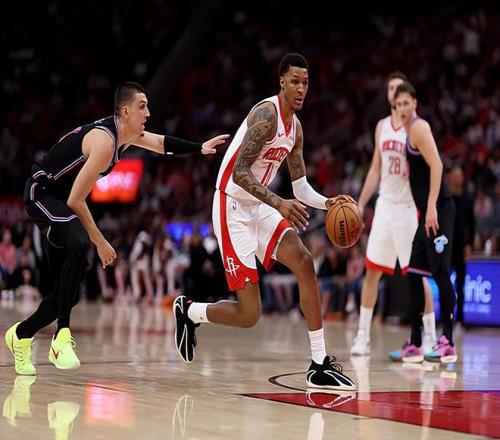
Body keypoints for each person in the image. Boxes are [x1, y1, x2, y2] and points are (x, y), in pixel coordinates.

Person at [4, 82, 228, 375]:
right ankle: (61, 338)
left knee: (67, 295)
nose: (148, 113)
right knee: (82, 242)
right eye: (142, 106)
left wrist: (199, 148)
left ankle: (20, 335)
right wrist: (101, 242)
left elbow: (161, 144)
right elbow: (75, 200)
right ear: (125, 111)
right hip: (42, 194)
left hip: (62, 204)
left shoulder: (125, 137)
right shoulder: (105, 142)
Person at [173, 53, 357, 391]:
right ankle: (191, 311)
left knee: (304, 261)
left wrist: (327, 202)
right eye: (295, 81)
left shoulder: (295, 129)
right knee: (250, 315)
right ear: (282, 82)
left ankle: (319, 364)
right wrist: (279, 203)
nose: (301, 88)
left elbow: (300, 187)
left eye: (306, 82)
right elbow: (239, 172)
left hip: (260, 206)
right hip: (231, 206)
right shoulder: (265, 115)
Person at [351, 72, 437, 356]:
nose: (394, 92)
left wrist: (429, 202)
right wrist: (361, 203)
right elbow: (375, 169)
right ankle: (362, 336)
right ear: (388, 95)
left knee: (417, 275)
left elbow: (432, 166)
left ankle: (431, 337)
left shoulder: (416, 127)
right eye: (391, 88)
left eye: (399, 89)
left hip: (408, 208)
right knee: (372, 272)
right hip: (385, 207)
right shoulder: (381, 127)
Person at [389, 81, 457, 363]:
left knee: (440, 273)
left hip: (438, 210)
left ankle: (448, 342)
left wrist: (430, 207)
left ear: (415, 103)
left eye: (407, 102)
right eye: (398, 104)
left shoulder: (419, 127)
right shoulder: (408, 133)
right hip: (427, 212)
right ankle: (416, 343)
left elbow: (438, 164)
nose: (403, 108)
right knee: (414, 272)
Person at [446, 165, 475, 325]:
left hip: (461, 248)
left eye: (460, 175)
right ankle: (445, 318)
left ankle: (460, 321)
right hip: (446, 247)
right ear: (450, 178)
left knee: (460, 285)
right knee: (445, 285)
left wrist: (469, 245)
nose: (458, 178)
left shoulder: (467, 198)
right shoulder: (445, 197)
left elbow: (472, 224)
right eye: (455, 175)